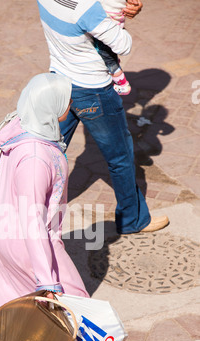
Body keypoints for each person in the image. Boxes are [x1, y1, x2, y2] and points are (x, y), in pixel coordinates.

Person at [0, 73, 100, 341]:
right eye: (67, 100)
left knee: (11, 298)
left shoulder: (22, 124)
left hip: (0, 223)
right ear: (51, 107)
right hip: (20, 236)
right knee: (67, 304)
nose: (71, 105)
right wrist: (47, 279)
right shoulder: (38, 158)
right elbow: (30, 222)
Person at [37, 0, 169, 235]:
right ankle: (134, 219)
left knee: (47, 151)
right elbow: (123, 44)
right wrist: (118, 15)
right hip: (93, 92)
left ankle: (25, 211)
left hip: (59, 81)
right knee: (121, 157)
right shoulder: (87, 9)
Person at [94, 0, 131, 95]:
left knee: (110, 63)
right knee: (110, 55)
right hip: (116, 24)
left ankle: (123, 85)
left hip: (107, 28)